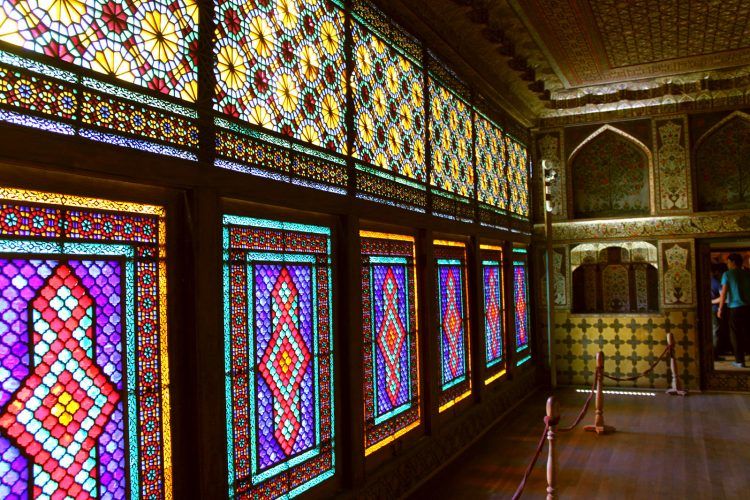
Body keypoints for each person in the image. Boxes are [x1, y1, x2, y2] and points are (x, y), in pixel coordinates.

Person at [718, 253, 750, 368]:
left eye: (728, 262)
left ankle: (740, 361)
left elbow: (724, 293)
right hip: (748, 308)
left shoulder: (727, 274)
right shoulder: (747, 274)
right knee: (747, 332)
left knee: (735, 335)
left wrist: (720, 309)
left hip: (735, 308)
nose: (727, 264)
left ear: (733, 262)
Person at [711, 263, 730, 360]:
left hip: (711, 310)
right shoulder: (714, 282)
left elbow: (723, 297)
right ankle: (714, 355)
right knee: (715, 332)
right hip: (713, 310)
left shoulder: (713, 282)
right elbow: (723, 297)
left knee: (714, 332)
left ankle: (714, 354)